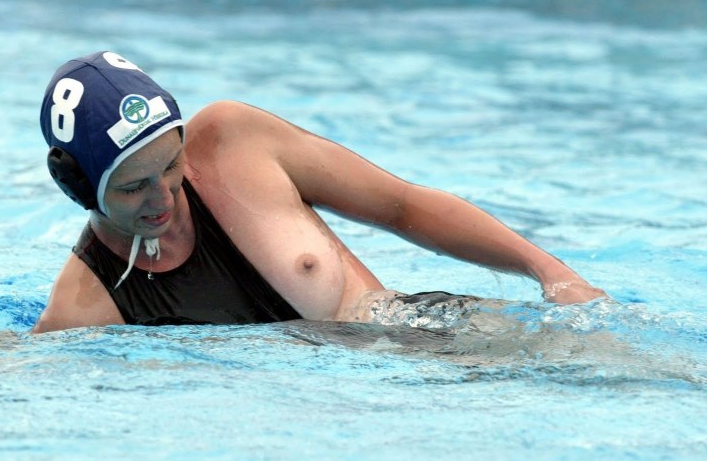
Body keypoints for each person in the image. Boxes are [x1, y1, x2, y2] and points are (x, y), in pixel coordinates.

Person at [31, 51, 606, 333]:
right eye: (133, 187)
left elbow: (403, 205)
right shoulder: (88, 304)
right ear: (80, 187)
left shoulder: (235, 143)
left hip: (416, 330)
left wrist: (552, 274)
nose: (165, 195)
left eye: (172, 164)